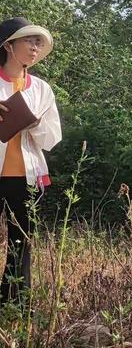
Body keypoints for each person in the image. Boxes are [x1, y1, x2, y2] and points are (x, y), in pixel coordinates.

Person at [0, 16, 61, 306]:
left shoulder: (42, 89)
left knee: (21, 242)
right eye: (28, 41)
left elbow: (52, 138)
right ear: (9, 46)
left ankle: (15, 304)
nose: (35, 47)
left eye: (38, 42)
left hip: (28, 176)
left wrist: (32, 123)